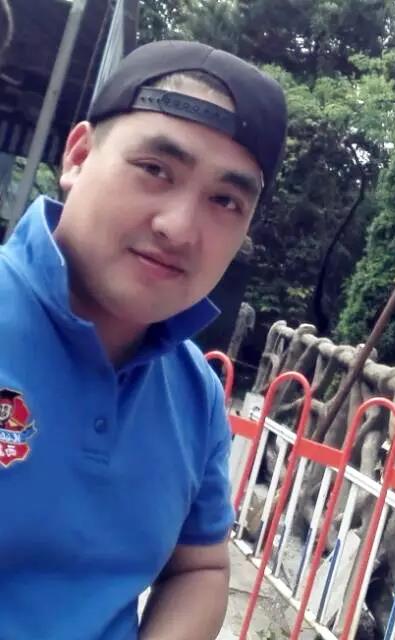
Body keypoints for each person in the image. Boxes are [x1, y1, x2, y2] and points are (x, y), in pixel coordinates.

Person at [0, 40, 287, 640]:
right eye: (155, 170)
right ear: (78, 156)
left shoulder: (195, 393)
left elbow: (200, 566)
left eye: (224, 200)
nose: (179, 228)